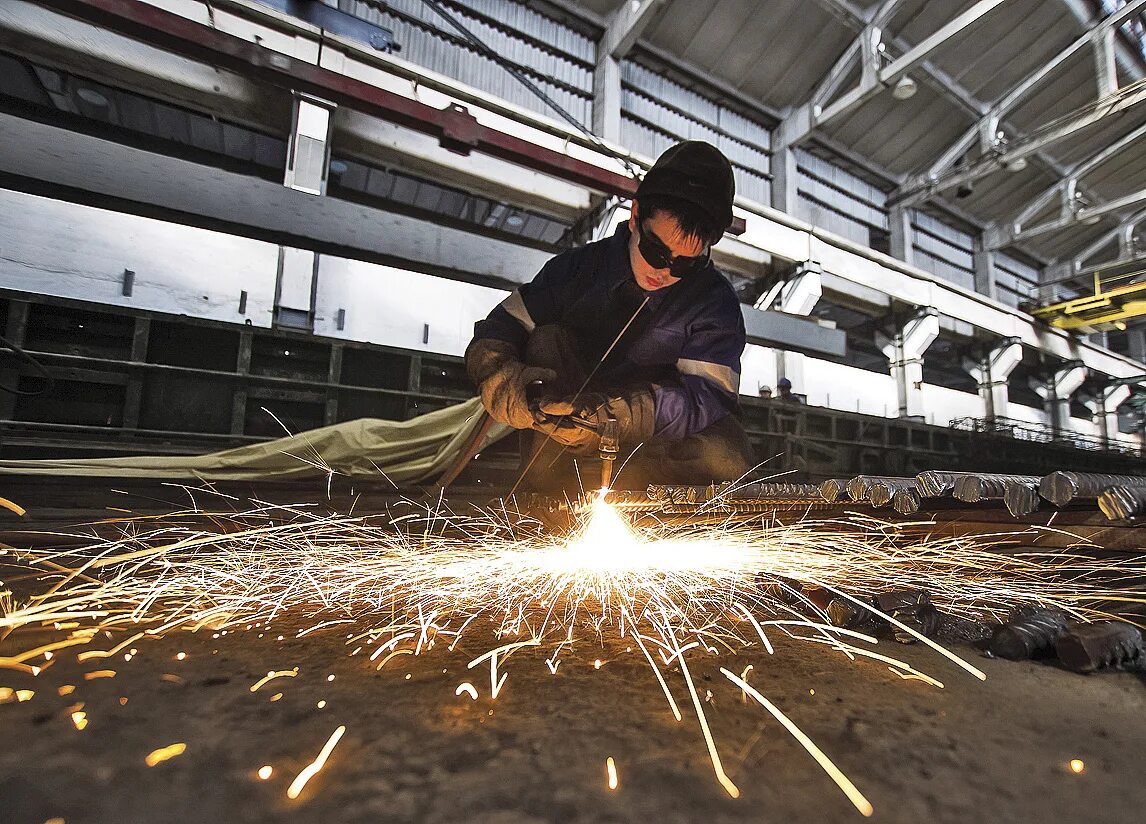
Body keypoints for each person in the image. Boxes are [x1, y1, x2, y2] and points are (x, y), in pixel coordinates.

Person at [464, 141, 756, 493]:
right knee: (545, 338)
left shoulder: (714, 303)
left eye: (684, 263)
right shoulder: (575, 271)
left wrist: (630, 414)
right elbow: (501, 329)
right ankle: (548, 491)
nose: (664, 272)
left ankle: (643, 500)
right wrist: (504, 379)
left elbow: (706, 395)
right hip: (570, 428)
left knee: (727, 462)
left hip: (658, 439)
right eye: (656, 251)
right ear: (635, 217)